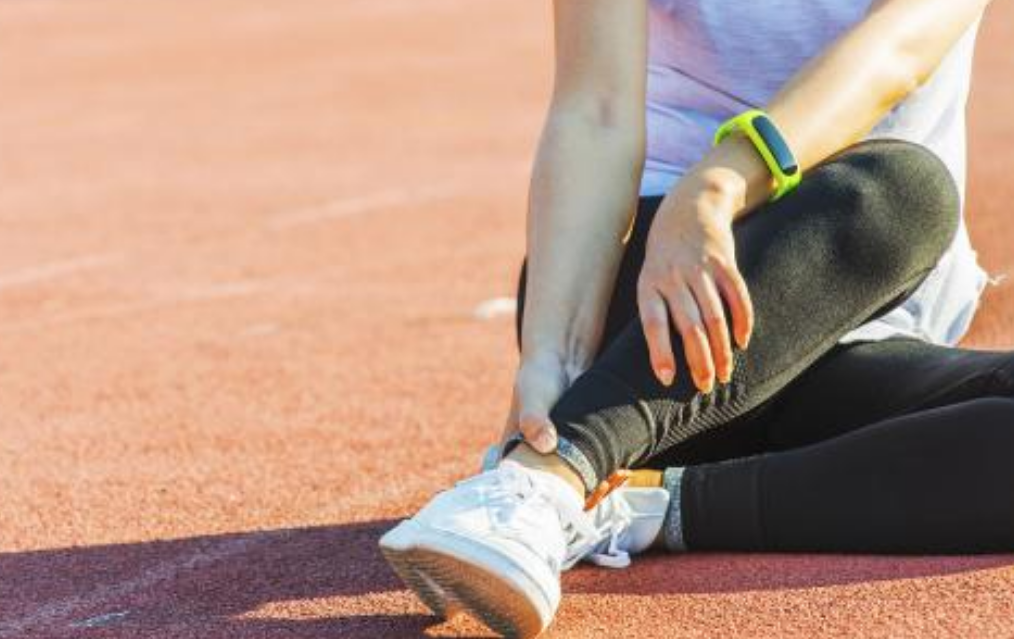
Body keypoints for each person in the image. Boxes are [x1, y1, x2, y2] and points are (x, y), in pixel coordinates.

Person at [380, 0, 1009, 637]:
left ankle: (634, 505)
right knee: (905, 189)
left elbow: (894, 56)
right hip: (653, 320)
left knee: (894, 190)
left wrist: (718, 183)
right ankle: (549, 470)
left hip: (855, 294)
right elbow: (595, 111)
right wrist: (553, 357)